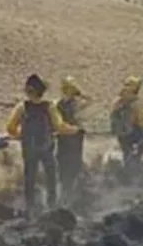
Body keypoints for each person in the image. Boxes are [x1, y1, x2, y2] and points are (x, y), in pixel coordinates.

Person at [5, 74, 80, 216]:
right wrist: (74, 130)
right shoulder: (49, 107)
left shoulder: (22, 107)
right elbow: (59, 126)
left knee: (30, 177)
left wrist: (20, 135)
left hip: (28, 149)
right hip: (46, 148)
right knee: (51, 176)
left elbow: (10, 128)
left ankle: (30, 208)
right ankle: (52, 205)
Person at [55, 76, 90, 201]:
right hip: (67, 135)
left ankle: (70, 191)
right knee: (65, 163)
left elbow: (88, 100)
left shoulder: (73, 103)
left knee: (73, 162)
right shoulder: (60, 103)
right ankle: (66, 191)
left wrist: (79, 92)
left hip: (73, 135)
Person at [110, 76, 143, 170]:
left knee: (126, 149)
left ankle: (126, 168)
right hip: (135, 131)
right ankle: (135, 166)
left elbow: (112, 114)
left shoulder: (117, 101)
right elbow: (141, 120)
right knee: (142, 145)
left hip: (122, 131)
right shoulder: (136, 102)